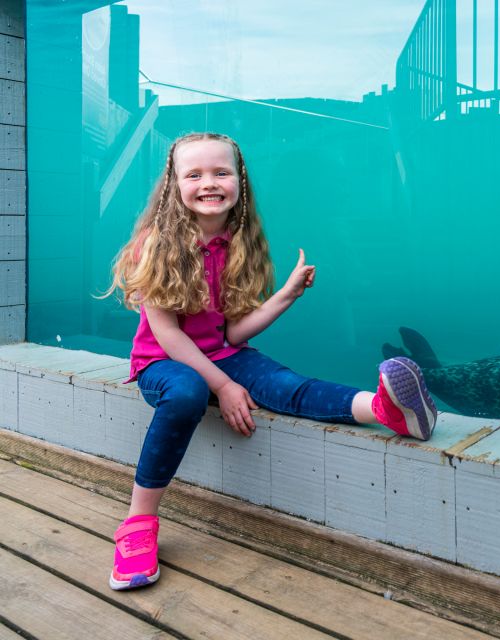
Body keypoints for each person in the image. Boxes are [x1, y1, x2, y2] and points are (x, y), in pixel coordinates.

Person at [102, 132, 438, 591]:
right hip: (163, 361)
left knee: (285, 384)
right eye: (194, 174)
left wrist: (285, 296)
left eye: (221, 172)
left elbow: (229, 334)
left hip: (219, 354)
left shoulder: (235, 242)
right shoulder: (156, 244)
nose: (209, 183)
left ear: (239, 181)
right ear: (173, 185)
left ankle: (384, 409)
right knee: (187, 392)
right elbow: (169, 336)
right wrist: (223, 385)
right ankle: (138, 522)